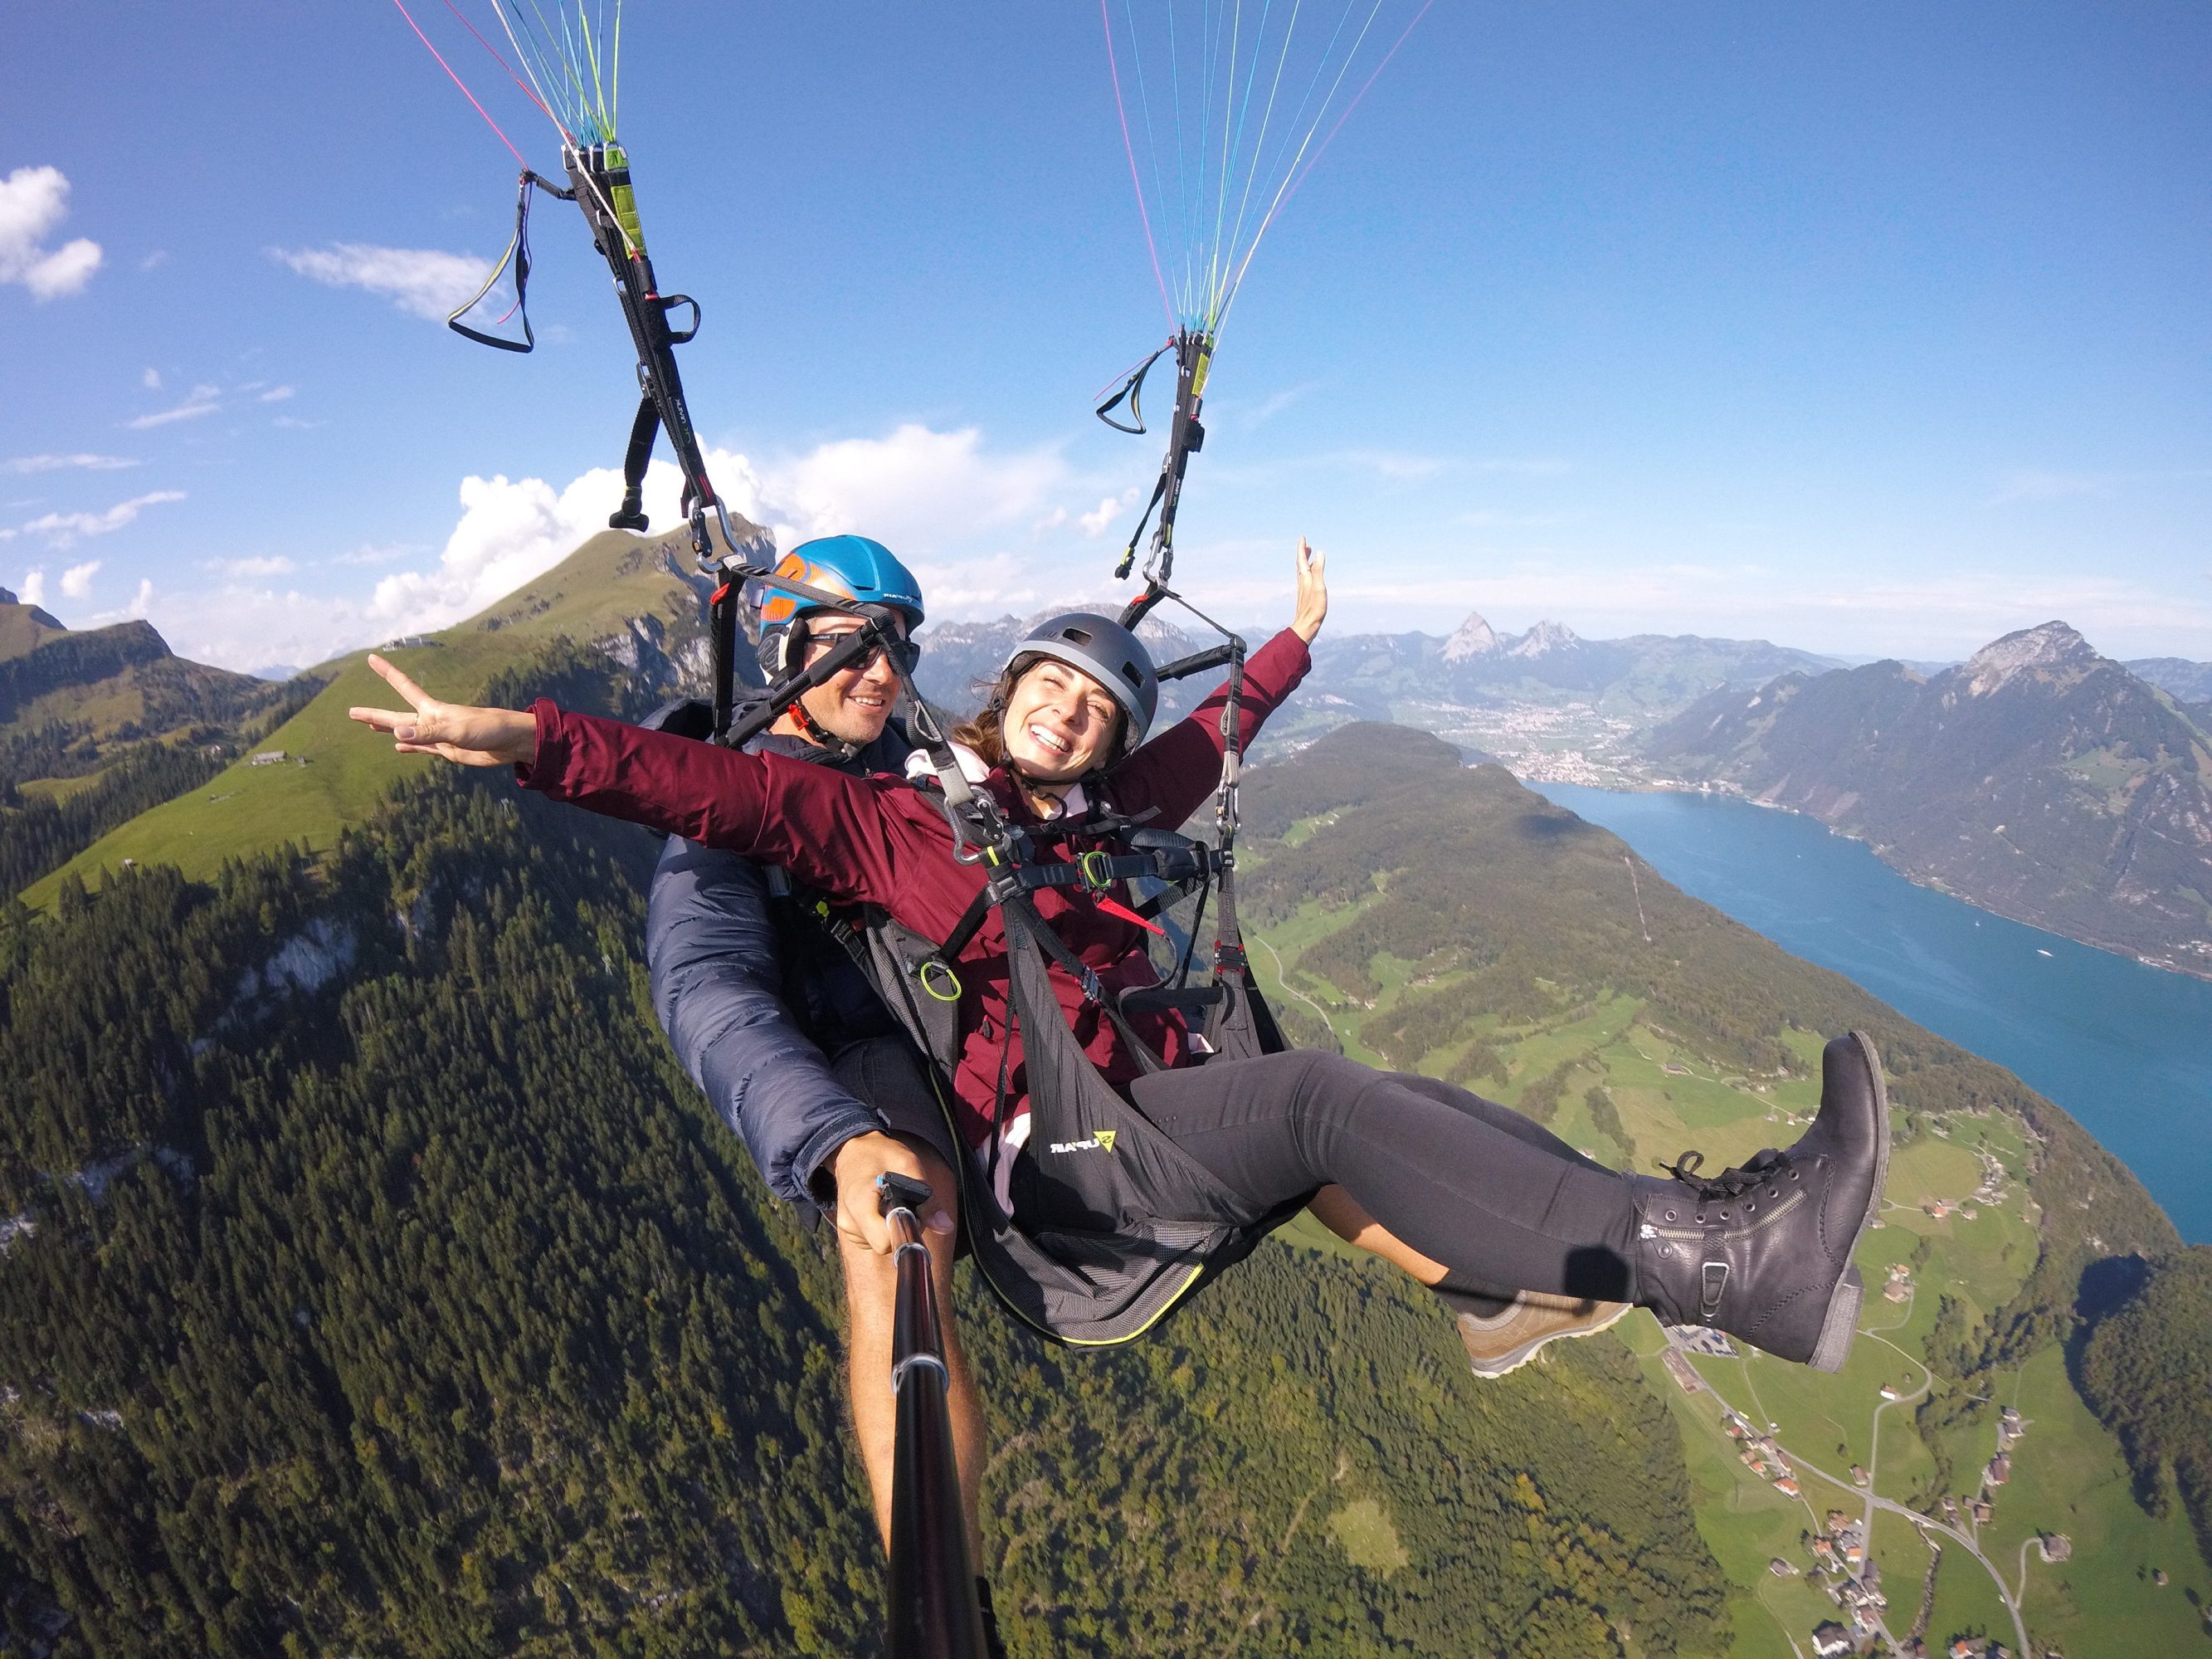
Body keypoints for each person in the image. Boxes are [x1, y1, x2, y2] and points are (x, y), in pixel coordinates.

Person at [349, 538, 1887, 1584]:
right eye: (1049, 686)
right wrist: (530, 740)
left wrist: (1292, 644)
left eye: (1095, 707)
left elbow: (1212, 740)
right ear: (998, 686)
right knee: (1318, 1099)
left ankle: (1514, 1289)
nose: (1073, 713)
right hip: (1052, 1153)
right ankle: (1718, 1259)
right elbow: (716, 794)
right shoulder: (887, 820)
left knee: (1383, 1099)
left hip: (1135, 1104)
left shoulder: (1075, 815)